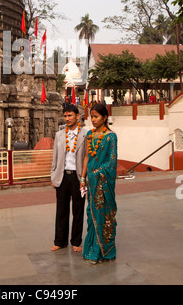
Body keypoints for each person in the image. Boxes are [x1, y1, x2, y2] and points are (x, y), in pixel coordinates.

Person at [80, 103, 117, 264]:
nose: (93, 120)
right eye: (91, 117)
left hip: (103, 182)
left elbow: (112, 162)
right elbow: (87, 157)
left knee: (104, 215)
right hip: (91, 182)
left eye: (96, 117)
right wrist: (83, 178)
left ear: (104, 117)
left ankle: (105, 251)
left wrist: (96, 174)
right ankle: (92, 249)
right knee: (91, 214)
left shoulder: (111, 137)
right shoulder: (90, 134)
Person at [51, 103, 87, 253]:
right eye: (65, 116)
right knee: (61, 210)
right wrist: (53, 175)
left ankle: (76, 241)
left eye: (70, 115)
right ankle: (60, 241)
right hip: (62, 176)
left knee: (78, 210)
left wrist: (84, 178)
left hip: (79, 177)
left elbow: (87, 157)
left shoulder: (85, 134)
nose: (67, 118)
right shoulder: (59, 135)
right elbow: (55, 156)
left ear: (77, 116)